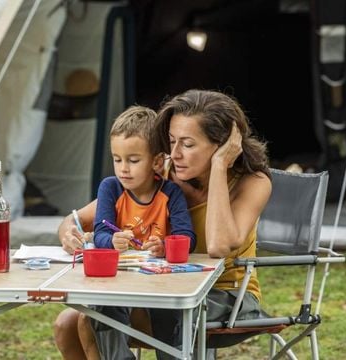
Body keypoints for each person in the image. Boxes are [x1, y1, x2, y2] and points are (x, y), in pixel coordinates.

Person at [54, 89, 272, 359]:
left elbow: (218, 246)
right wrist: (68, 231)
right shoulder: (163, 173)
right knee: (67, 324)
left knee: (91, 320)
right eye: (171, 141)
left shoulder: (252, 182)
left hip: (225, 297)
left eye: (188, 145)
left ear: (222, 144)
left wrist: (219, 167)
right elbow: (80, 219)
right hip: (163, 288)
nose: (175, 154)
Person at [56, 105, 195, 360]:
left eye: (133, 160)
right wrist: (111, 240)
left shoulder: (171, 193)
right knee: (104, 308)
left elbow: (187, 237)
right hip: (119, 285)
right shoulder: (111, 188)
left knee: (169, 317)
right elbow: (99, 234)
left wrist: (164, 246)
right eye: (117, 159)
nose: (123, 169)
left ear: (156, 161)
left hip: (160, 286)